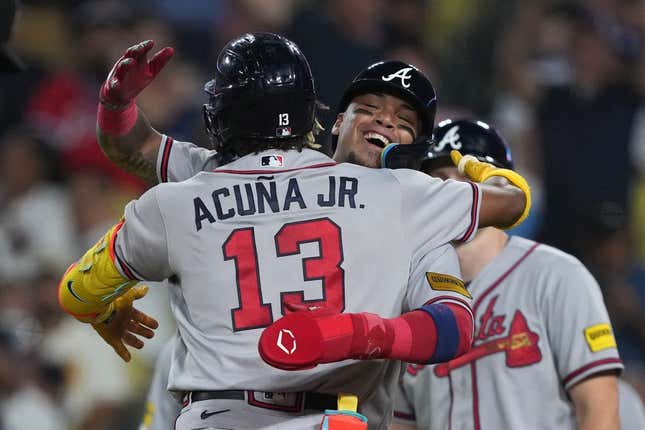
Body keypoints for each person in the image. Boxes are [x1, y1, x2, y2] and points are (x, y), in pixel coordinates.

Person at [85, 35, 530, 429]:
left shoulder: (414, 208)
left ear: (417, 146)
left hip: (330, 412)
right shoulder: (234, 171)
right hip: (237, 403)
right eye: (369, 109)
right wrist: (116, 106)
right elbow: (139, 149)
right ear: (335, 121)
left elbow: (453, 326)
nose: (384, 122)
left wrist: (351, 334)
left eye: (404, 121)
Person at [391, 119, 624, 430]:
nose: (457, 192)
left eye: (470, 179)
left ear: (502, 188)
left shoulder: (556, 275)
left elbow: (599, 411)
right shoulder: (408, 295)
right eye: (440, 180)